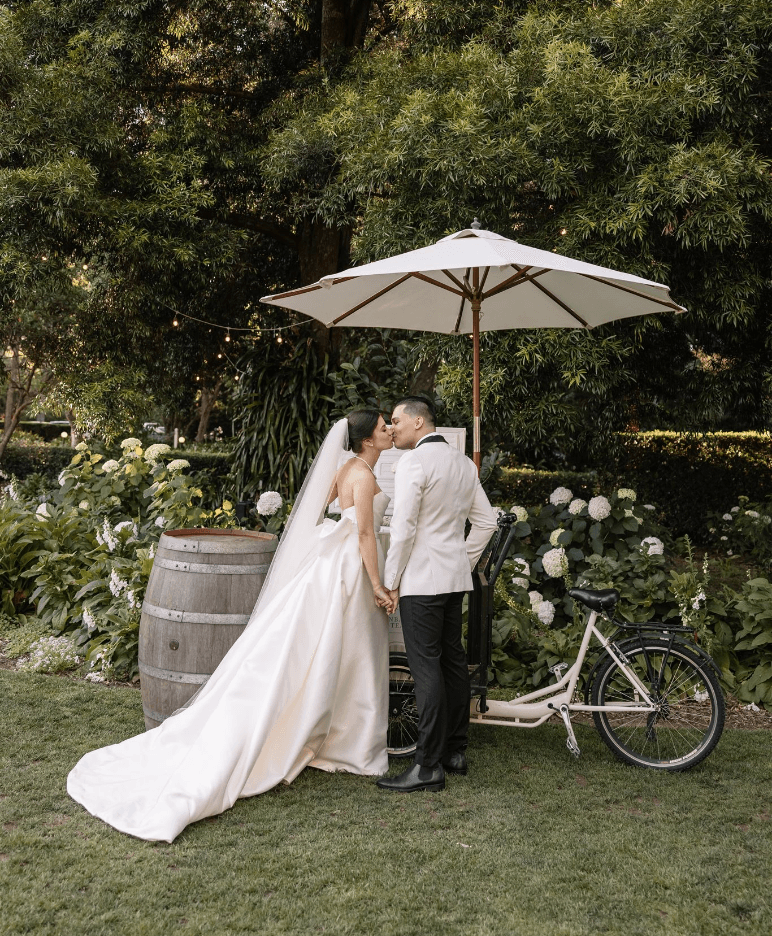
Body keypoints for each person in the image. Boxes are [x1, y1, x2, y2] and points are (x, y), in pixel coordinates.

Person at [67, 410, 395, 842]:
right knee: (346, 651)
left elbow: (320, 515)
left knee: (325, 651)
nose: (390, 429)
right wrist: (378, 584)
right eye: (383, 426)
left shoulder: (346, 469)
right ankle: (345, 741)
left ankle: (335, 736)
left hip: (326, 568)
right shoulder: (364, 477)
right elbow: (365, 535)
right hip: (348, 571)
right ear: (367, 440)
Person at [377, 397, 498, 793]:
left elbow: (404, 528)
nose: (392, 428)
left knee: (426, 666)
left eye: (396, 421)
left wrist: (390, 579)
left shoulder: (414, 462)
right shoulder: (463, 463)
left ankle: (427, 765)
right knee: (452, 662)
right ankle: (454, 751)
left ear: (417, 421)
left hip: (422, 582)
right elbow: (487, 522)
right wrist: (459, 559)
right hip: (452, 580)